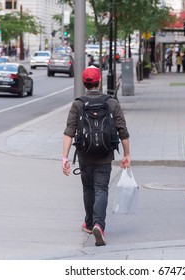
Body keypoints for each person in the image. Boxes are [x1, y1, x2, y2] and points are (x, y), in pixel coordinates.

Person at [62, 66, 131, 246]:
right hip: (105, 155)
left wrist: (64, 157)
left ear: (85, 84)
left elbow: (69, 132)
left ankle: (89, 222)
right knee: (101, 189)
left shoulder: (78, 104)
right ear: (99, 81)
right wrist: (126, 154)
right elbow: (123, 130)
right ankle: (99, 225)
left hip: (85, 154)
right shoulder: (111, 103)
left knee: (88, 189)